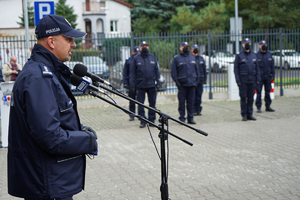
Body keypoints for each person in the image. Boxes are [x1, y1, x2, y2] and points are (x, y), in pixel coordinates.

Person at [7, 15, 98, 200]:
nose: (73, 44)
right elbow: (50, 137)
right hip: (47, 184)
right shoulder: (39, 78)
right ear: (51, 41)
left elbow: (49, 124)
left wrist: (78, 131)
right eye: (69, 39)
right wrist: (86, 140)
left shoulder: (45, 73)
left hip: (47, 181)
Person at [129, 41, 160, 128]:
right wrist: (132, 85)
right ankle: (142, 121)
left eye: (146, 46)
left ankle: (152, 120)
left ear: (148, 47)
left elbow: (157, 71)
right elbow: (132, 73)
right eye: (143, 46)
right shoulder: (136, 59)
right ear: (140, 48)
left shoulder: (152, 57)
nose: (144, 47)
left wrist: (158, 81)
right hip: (140, 85)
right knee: (140, 104)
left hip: (151, 85)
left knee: (152, 104)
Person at [171, 42, 198, 124]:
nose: (186, 48)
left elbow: (197, 70)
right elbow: (173, 72)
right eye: (184, 47)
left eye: (187, 47)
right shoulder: (176, 58)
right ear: (180, 48)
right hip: (182, 85)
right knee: (182, 102)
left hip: (191, 84)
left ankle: (190, 118)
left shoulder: (193, 57)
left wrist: (196, 81)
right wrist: (177, 82)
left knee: (191, 102)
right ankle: (182, 118)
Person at [234, 38, 261, 121]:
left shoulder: (254, 55)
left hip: (252, 80)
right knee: (243, 98)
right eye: (246, 43)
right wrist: (238, 80)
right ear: (243, 44)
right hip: (243, 81)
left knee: (251, 98)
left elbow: (257, 68)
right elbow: (236, 69)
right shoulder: (239, 56)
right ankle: (244, 115)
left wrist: (258, 79)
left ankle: (250, 114)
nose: (248, 44)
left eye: (249, 43)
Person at [255, 40, 275, 113]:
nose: (264, 46)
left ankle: (268, 106)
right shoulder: (256, 55)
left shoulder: (269, 54)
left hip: (268, 77)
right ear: (259, 46)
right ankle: (258, 107)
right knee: (259, 92)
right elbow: (255, 67)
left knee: (268, 92)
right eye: (262, 45)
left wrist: (273, 75)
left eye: (265, 45)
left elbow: (272, 66)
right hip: (260, 77)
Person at [123, 46, 140, 121]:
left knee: (140, 100)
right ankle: (131, 114)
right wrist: (126, 83)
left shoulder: (141, 60)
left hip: (140, 83)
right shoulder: (129, 61)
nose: (136, 54)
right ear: (132, 52)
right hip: (131, 83)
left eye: (138, 53)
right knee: (132, 100)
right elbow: (125, 73)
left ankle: (140, 115)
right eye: (135, 53)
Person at [191, 44, 207, 116]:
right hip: (193, 81)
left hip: (200, 80)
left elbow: (204, 69)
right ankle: (193, 110)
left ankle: (198, 110)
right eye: (194, 48)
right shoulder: (190, 58)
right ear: (192, 50)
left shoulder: (201, 58)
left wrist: (205, 79)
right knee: (193, 96)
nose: (196, 49)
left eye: (197, 48)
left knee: (199, 96)